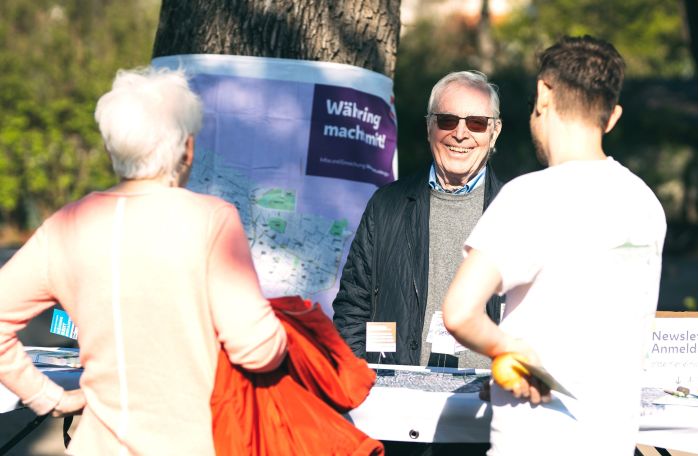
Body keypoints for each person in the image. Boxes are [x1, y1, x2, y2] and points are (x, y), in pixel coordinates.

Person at [0, 67, 288, 455]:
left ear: (112, 148)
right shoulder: (212, 220)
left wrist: (49, 397)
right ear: (187, 148)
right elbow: (257, 350)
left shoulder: (67, 226)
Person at [442, 36, 667, 455]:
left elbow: (458, 312)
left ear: (544, 94)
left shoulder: (529, 197)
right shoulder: (645, 203)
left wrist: (508, 348)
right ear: (612, 116)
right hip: (610, 442)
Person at [333, 70, 505, 370]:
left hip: (485, 400)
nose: (460, 134)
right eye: (447, 120)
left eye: (476, 123)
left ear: (495, 131)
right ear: (429, 127)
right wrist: (367, 382)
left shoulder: (514, 212)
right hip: (394, 398)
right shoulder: (387, 206)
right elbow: (352, 307)